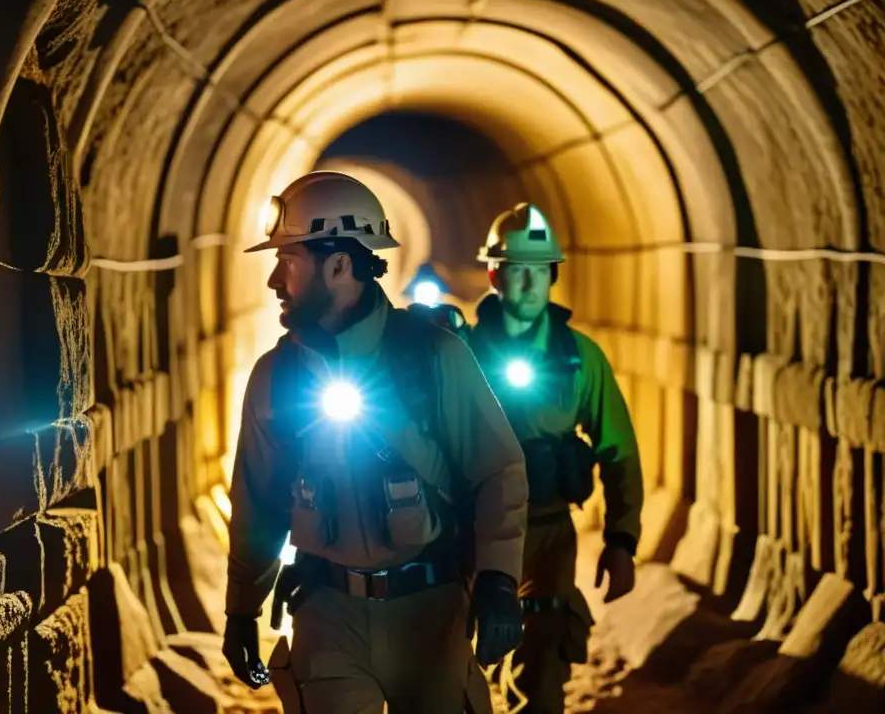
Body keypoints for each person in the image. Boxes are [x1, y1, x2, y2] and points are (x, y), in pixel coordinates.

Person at [221, 171, 529, 713]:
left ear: (339, 264)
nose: (274, 280)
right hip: (328, 614)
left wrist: (499, 579)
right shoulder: (277, 376)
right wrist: (242, 609)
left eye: (288, 261)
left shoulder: (434, 358)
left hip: (430, 612)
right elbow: (257, 502)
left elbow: (497, 470)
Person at [466, 202, 644, 714]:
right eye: (517, 271)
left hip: (547, 539)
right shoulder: (460, 352)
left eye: (539, 272)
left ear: (553, 277)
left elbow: (618, 449)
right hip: (469, 537)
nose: (528, 285)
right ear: (494, 273)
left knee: (542, 673)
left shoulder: (578, 358)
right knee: (452, 672)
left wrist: (622, 540)